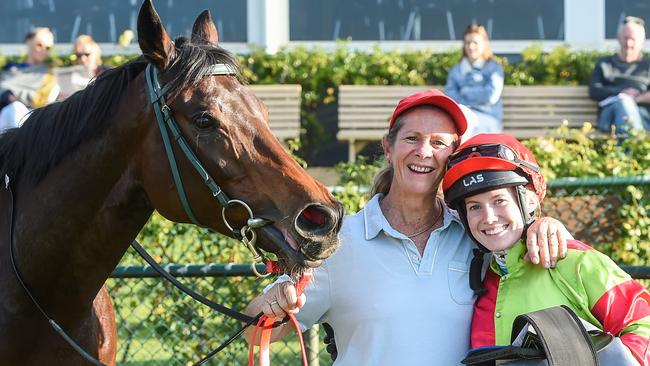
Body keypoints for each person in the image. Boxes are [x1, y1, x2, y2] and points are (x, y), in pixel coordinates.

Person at [244, 89, 571, 365]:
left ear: (452, 156)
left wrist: (543, 224)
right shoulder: (337, 242)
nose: (424, 151)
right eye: (412, 138)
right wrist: (271, 305)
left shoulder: (476, 235)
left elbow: (527, 256)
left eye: (439, 143)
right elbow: (256, 332)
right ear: (388, 147)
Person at [441, 133, 650, 365]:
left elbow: (643, 323)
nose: (488, 217)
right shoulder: (481, 279)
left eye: (499, 201)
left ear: (529, 200)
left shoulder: (576, 261)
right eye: (474, 207)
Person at [589, 16, 650, 137]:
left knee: (627, 103)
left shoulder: (647, 65)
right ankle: (635, 147)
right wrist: (622, 93)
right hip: (609, 117)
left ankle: (625, 152)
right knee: (624, 102)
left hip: (642, 117)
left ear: (642, 41)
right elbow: (594, 90)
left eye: (633, 39)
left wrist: (637, 99)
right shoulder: (605, 63)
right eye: (625, 38)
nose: (628, 44)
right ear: (618, 38)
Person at [445, 24, 504, 137]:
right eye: (468, 43)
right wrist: (476, 94)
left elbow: (491, 96)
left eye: (475, 43)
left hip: (487, 116)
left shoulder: (494, 68)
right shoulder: (456, 70)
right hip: (462, 114)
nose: (471, 47)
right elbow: (450, 97)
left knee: (470, 129)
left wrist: (465, 91)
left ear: (484, 44)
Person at [0, 27, 58, 131]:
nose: (43, 50)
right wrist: (6, 95)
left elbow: (42, 100)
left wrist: (14, 95)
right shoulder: (11, 68)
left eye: (48, 48)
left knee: (16, 108)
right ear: (29, 42)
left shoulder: (50, 74)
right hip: (4, 114)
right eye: (39, 45)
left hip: (32, 118)